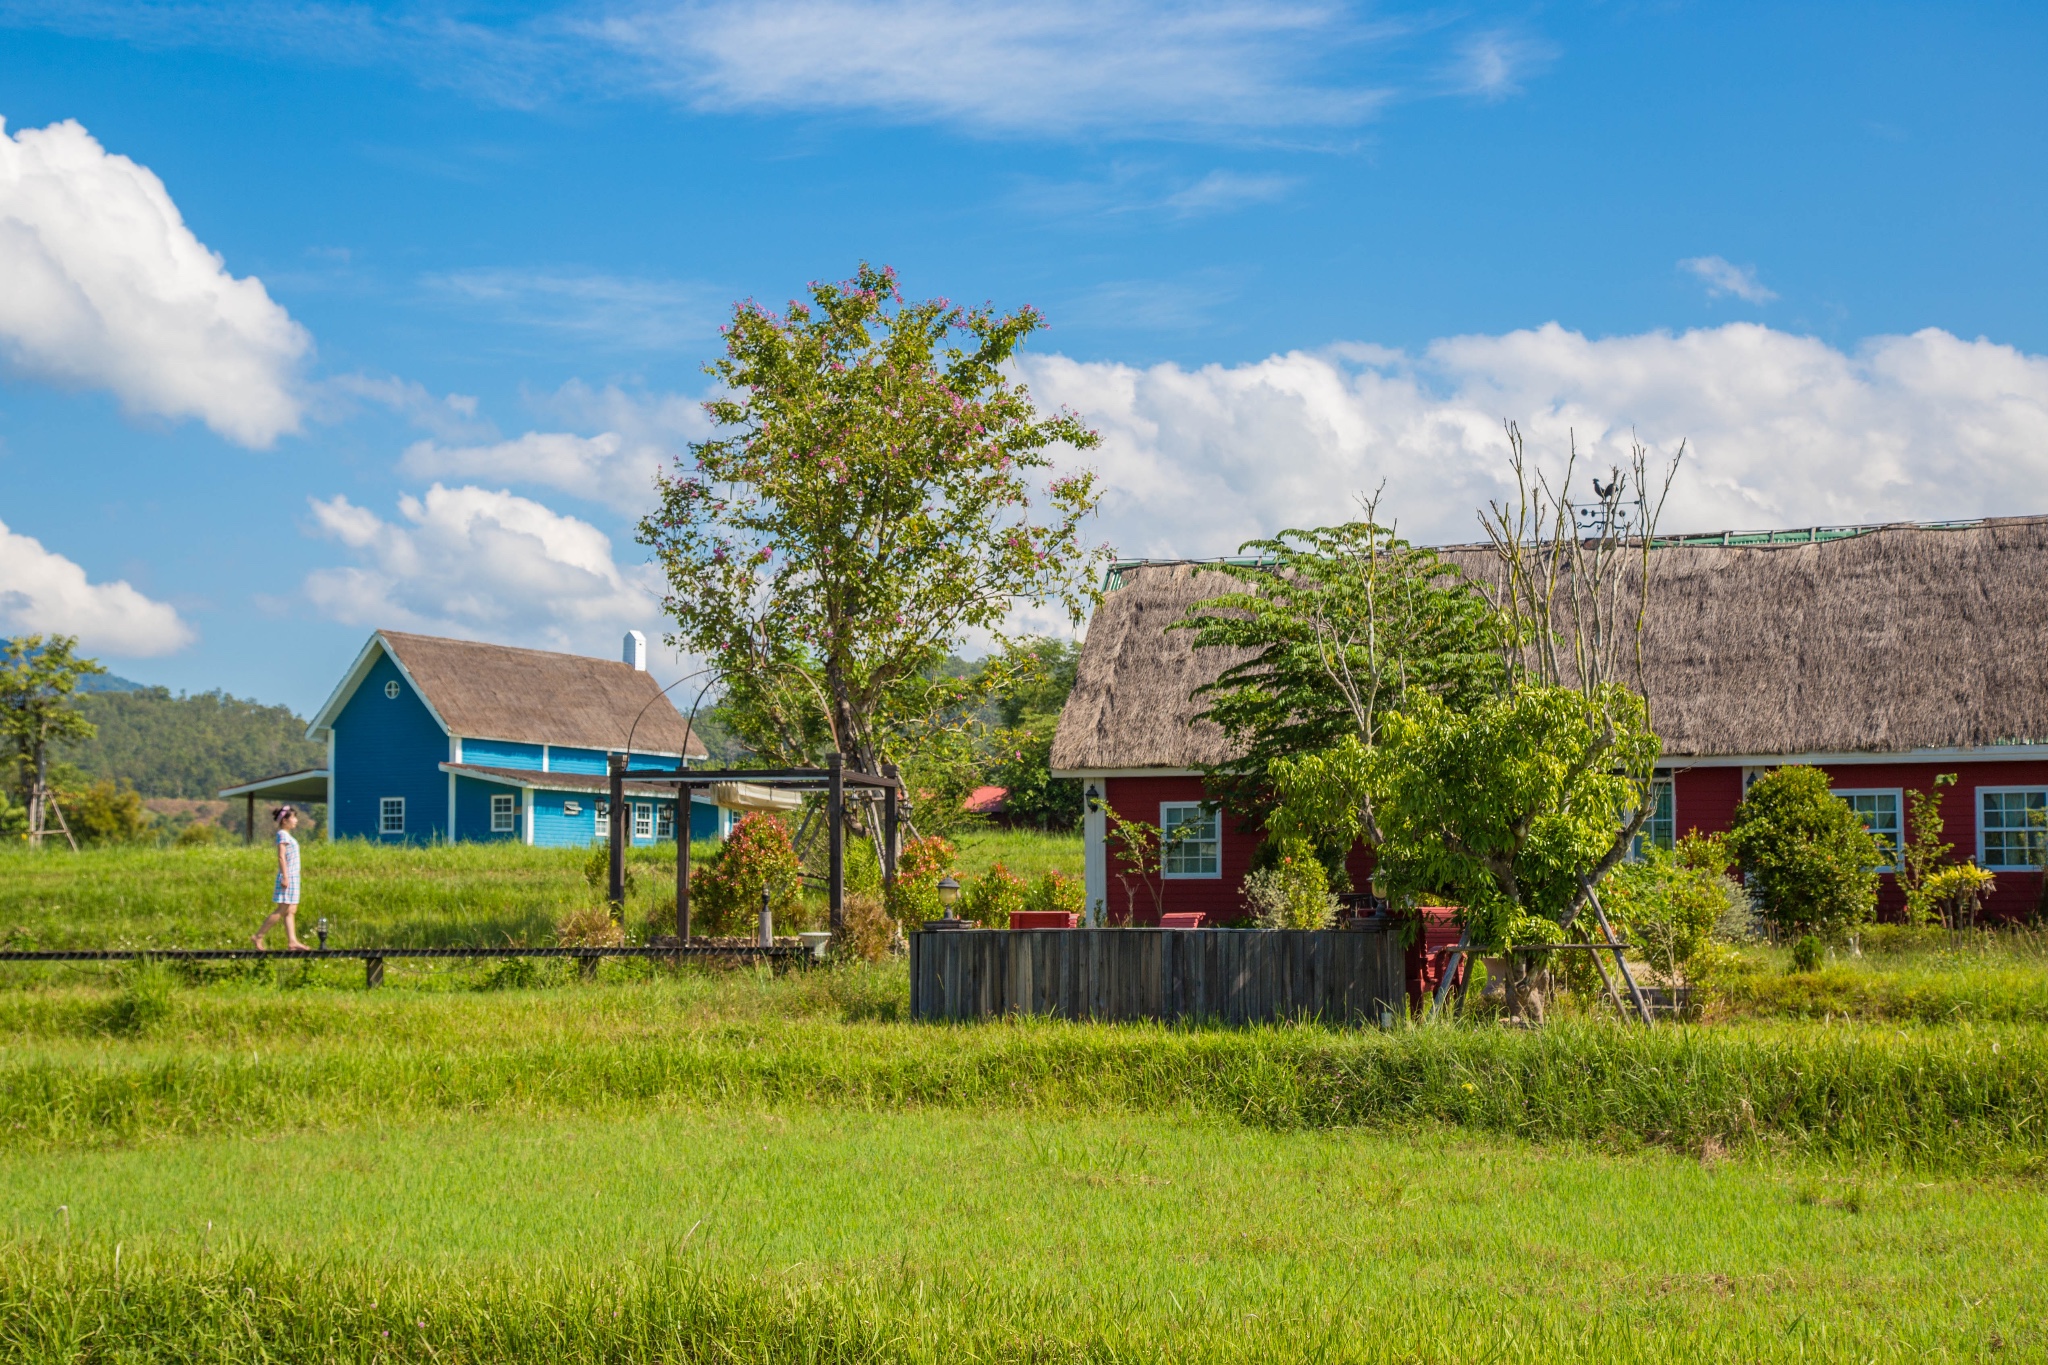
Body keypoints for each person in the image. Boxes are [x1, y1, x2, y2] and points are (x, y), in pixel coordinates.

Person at [253, 804, 311, 951]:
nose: (296, 820)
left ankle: (292, 941)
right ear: (284, 820)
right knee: (282, 909)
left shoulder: (287, 835)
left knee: (291, 910)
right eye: (293, 817)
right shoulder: (282, 835)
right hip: (288, 876)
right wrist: (285, 877)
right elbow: (281, 856)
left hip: (294, 877)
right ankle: (258, 935)